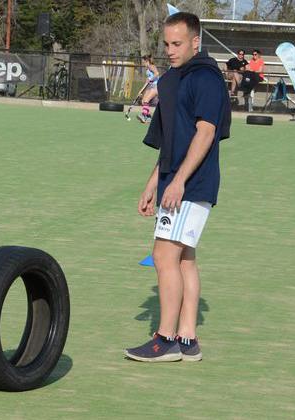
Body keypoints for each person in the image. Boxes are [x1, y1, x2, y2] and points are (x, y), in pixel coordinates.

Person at [125, 12, 231, 363]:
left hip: (193, 184)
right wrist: (152, 183)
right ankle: (187, 338)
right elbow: (170, 139)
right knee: (185, 259)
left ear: (196, 41)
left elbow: (206, 133)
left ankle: (165, 338)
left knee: (163, 255)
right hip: (174, 181)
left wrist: (180, 181)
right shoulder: (171, 80)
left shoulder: (206, 79)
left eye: (177, 44)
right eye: (167, 44)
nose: (170, 50)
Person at [138, 55, 160, 124]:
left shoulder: (151, 66)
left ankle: (144, 115)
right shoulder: (147, 70)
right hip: (150, 85)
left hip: (155, 85)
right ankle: (148, 117)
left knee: (146, 100)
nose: (143, 64)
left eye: (144, 62)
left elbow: (157, 73)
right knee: (143, 101)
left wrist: (151, 79)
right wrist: (141, 90)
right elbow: (147, 82)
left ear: (147, 61)